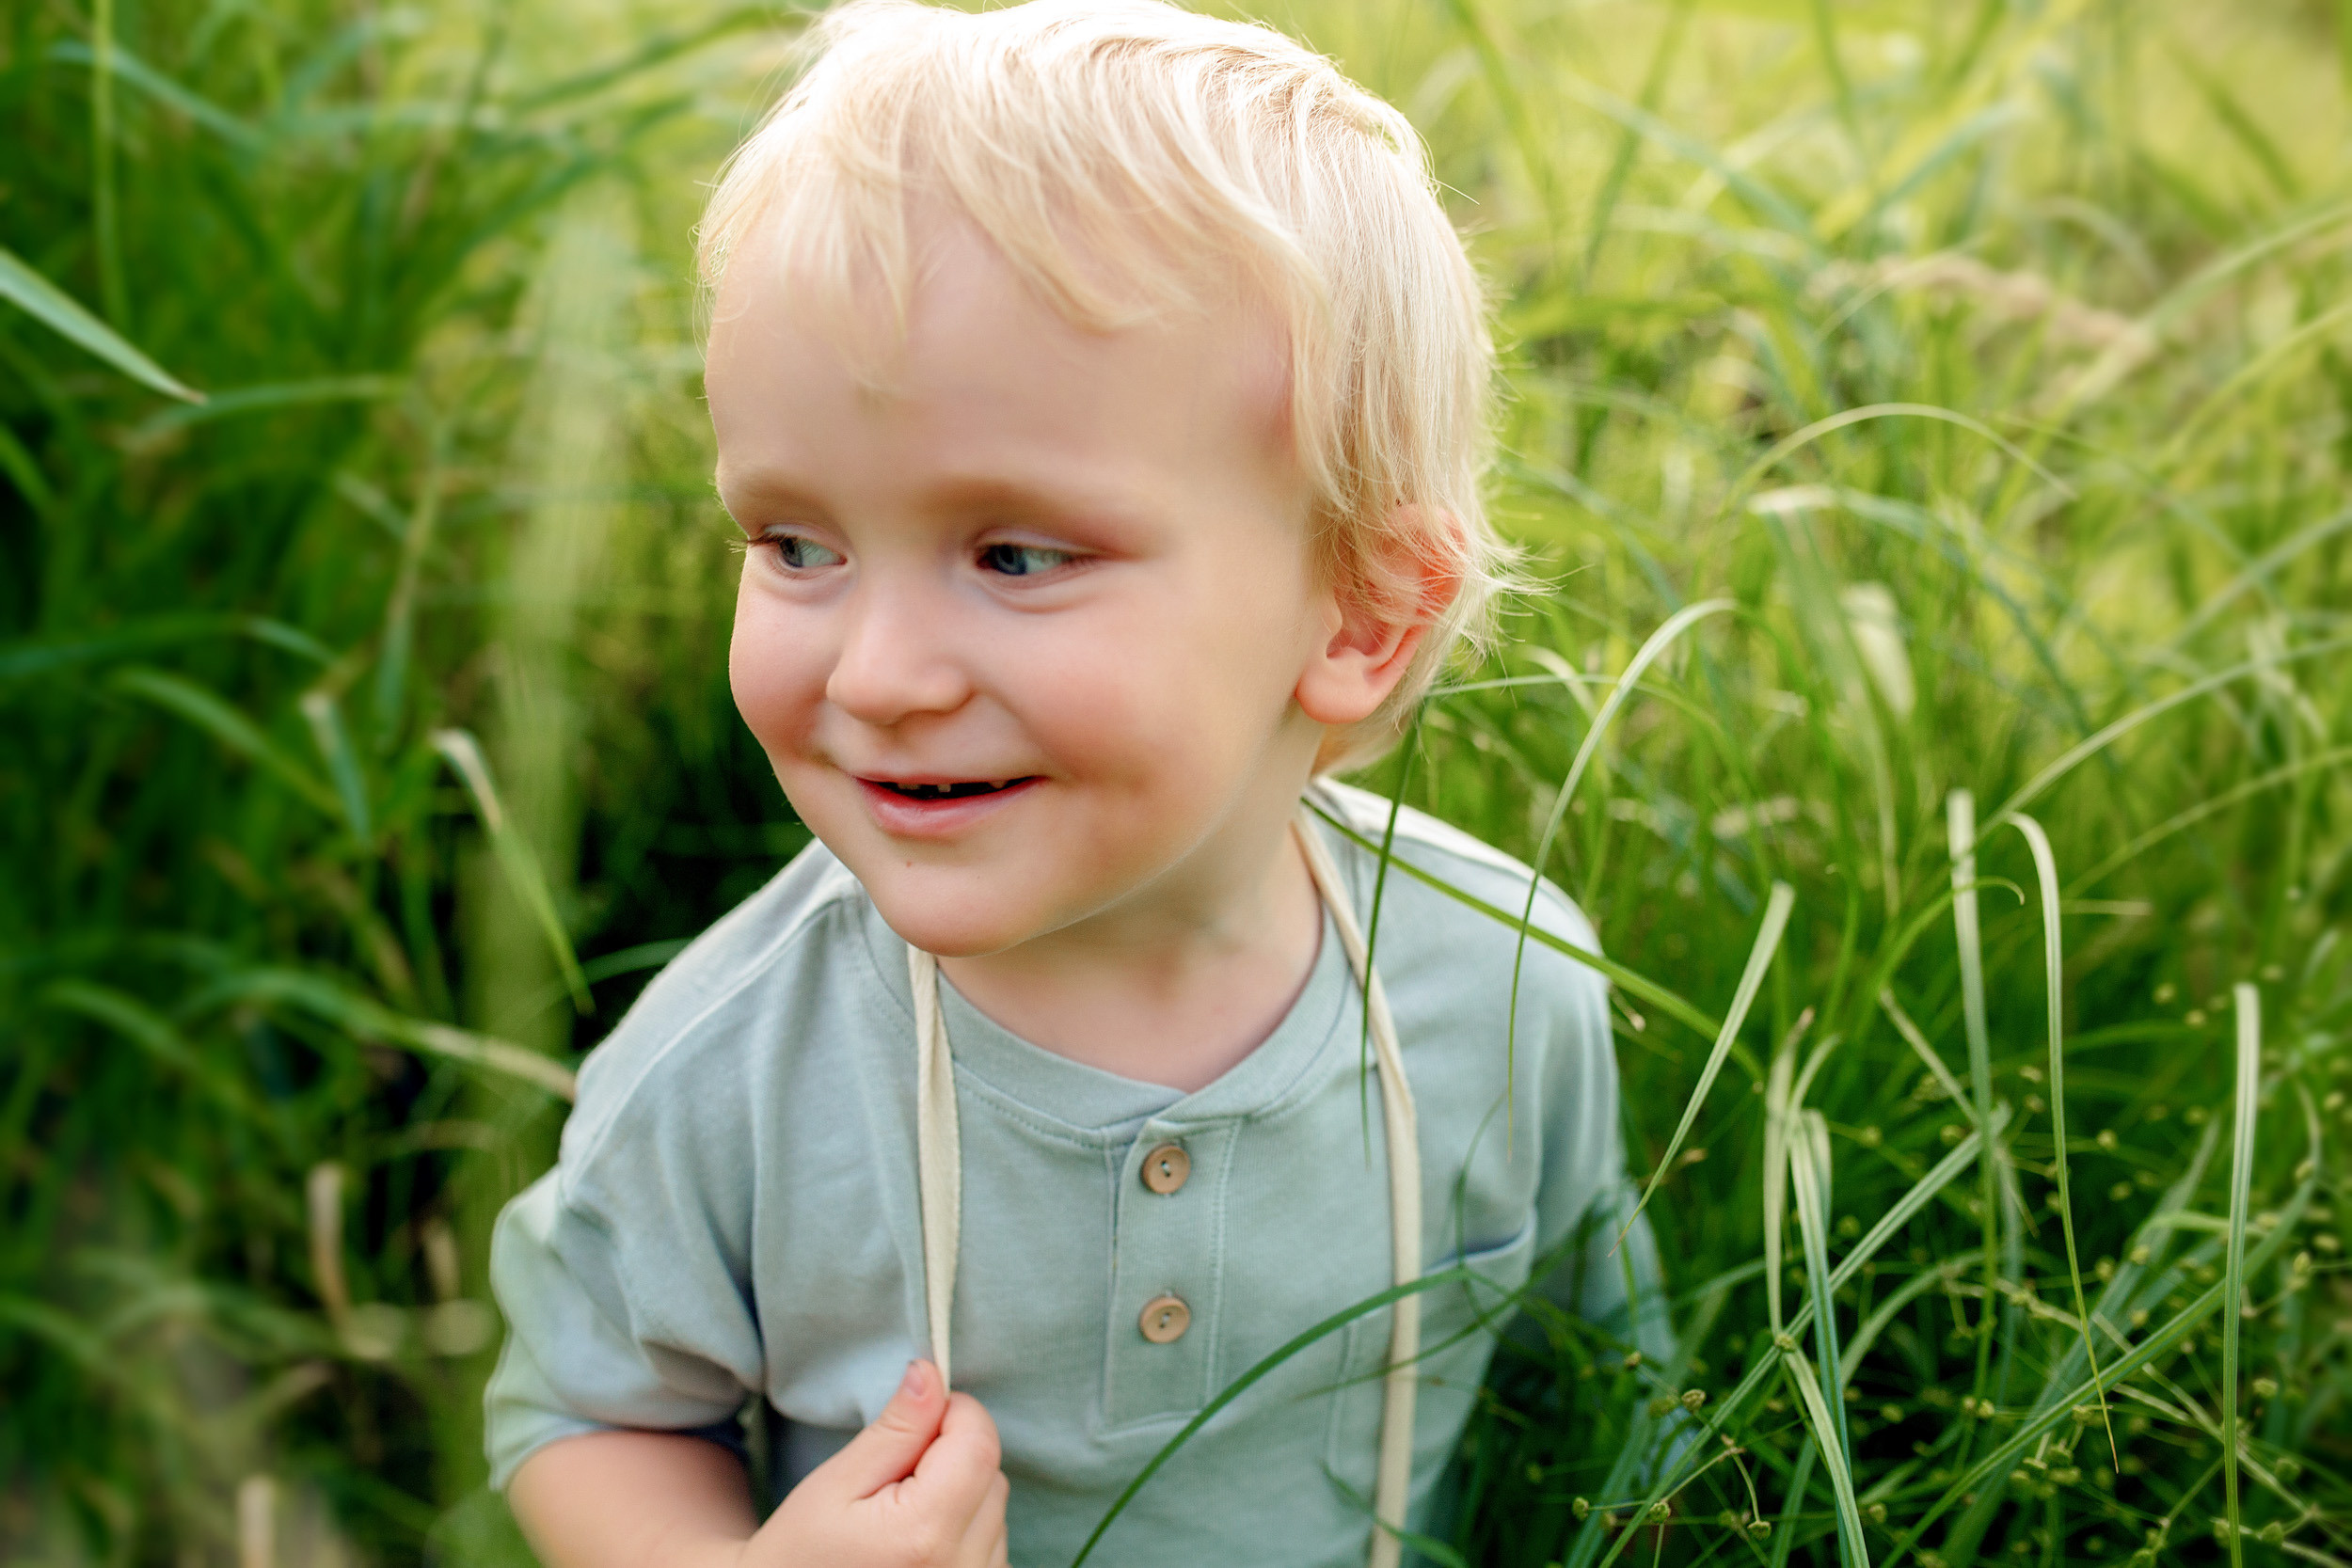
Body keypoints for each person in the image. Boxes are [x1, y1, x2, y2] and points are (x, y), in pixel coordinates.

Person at [488, 3, 1671, 1564]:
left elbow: (1604, 1377)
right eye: (796, 546)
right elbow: (584, 1413)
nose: (873, 674)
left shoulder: (1504, 980)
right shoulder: (727, 1078)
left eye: (1018, 554)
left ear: (1365, 616)